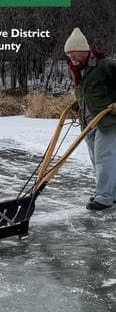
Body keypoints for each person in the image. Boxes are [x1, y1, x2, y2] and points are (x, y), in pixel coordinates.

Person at [64, 27, 116, 210]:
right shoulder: (77, 69)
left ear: (84, 50)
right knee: (97, 159)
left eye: (73, 54)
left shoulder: (105, 65)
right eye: (69, 55)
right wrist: (78, 103)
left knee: (104, 158)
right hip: (87, 120)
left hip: (107, 121)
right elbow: (85, 92)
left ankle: (104, 198)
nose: (71, 58)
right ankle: (111, 193)